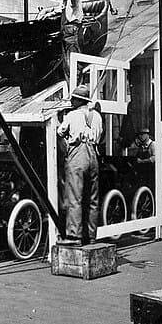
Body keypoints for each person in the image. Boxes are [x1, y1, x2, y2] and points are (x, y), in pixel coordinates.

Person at [57, 84, 103, 244]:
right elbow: (100, 135)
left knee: (74, 197)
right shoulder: (97, 116)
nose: (71, 101)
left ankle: (74, 236)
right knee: (92, 198)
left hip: (77, 154)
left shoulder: (72, 115)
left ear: (79, 100)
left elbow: (60, 132)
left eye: (74, 99)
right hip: (93, 154)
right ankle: (91, 236)